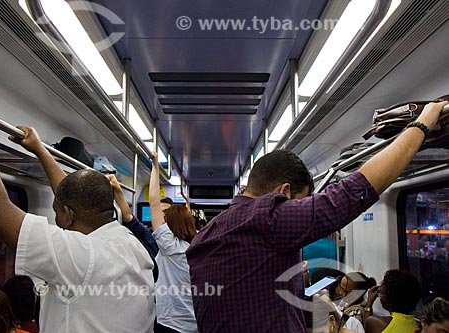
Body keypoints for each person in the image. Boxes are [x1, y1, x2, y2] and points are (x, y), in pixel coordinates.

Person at [186, 100, 449, 332]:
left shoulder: (209, 233)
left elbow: (245, 296)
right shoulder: (267, 218)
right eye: (301, 202)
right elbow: (354, 192)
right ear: (284, 192)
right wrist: (422, 124)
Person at [0, 96, 155, 332]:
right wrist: (39, 150)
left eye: (56, 211)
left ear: (68, 214)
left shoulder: (82, 255)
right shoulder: (129, 244)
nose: (55, 218)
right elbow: (72, 195)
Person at [149, 152, 198, 333]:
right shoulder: (196, 247)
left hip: (171, 323)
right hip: (195, 322)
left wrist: (155, 166)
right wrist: (187, 206)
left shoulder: (170, 247)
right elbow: (186, 223)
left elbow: (154, 203)